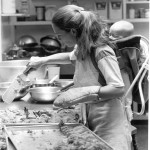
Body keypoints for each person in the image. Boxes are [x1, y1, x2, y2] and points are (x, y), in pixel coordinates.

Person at [27, 5, 131, 150]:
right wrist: (43, 60)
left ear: (73, 31)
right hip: (91, 113)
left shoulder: (102, 52)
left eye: (60, 35)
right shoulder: (83, 46)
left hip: (109, 119)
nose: (59, 40)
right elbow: (69, 57)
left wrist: (83, 92)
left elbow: (118, 88)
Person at [109, 20, 148, 122]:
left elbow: (143, 61)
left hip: (125, 74)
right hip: (129, 76)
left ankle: (127, 122)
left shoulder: (122, 47)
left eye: (115, 36)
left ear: (127, 37)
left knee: (125, 103)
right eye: (109, 34)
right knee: (126, 103)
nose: (110, 38)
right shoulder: (142, 44)